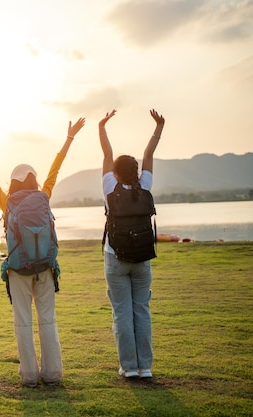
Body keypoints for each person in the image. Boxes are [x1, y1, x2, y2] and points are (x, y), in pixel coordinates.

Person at [0, 116, 86, 387]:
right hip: (45, 267)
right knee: (48, 321)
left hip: (18, 269)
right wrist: (69, 138)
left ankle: (30, 376)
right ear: (34, 179)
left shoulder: (6, 201)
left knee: (22, 322)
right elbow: (56, 169)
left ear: (13, 182)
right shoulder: (43, 195)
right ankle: (53, 375)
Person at [98, 108, 165, 379]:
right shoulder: (145, 186)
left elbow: (106, 155)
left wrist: (102, 127)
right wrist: (159, 127)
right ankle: (145, 367)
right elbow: (149, 155)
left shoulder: (108, 188)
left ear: (115, 173)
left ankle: (128, 368)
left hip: (115, 257)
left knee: (122, 313)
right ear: (136, 172)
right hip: (142, 258)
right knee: (142, 310)